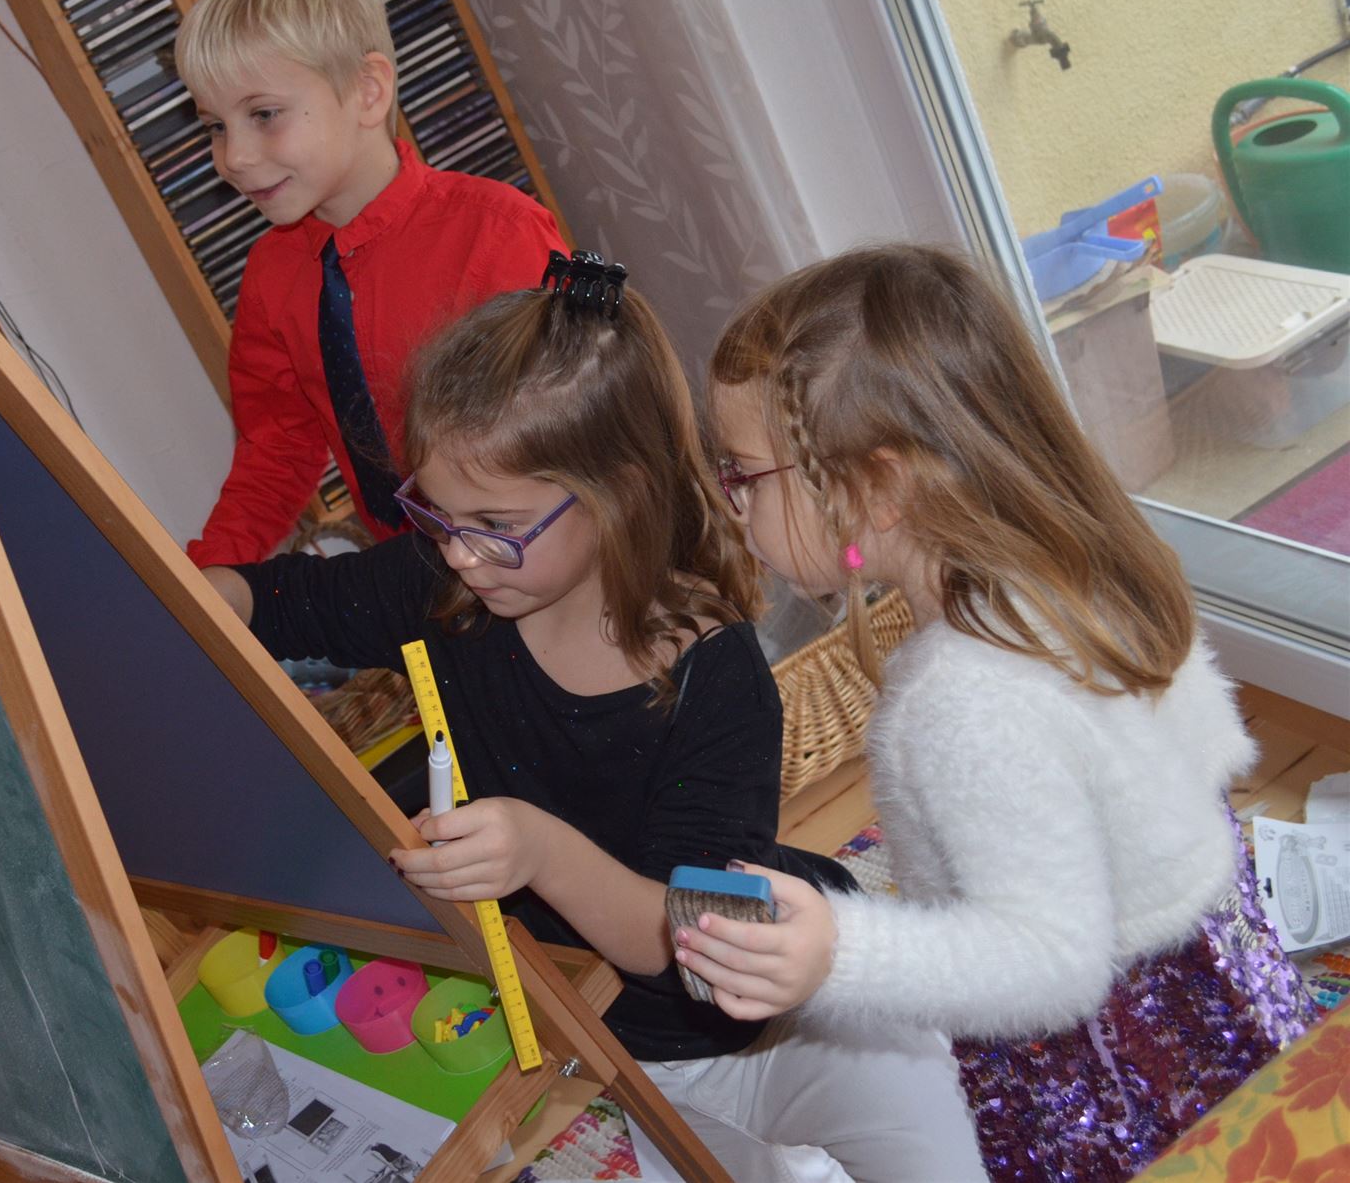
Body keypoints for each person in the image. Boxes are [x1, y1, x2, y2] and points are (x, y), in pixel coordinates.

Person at [206, 253, 985, 1182]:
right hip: (638, 1052)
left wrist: (540, 851)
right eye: (437, 514)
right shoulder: (444, 584)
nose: (459, 554)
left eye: (497, 523)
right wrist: (175, 592)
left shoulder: (716, 675)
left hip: (806, 1009)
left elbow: (696, 935)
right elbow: (281, 598)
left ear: (621, 493)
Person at [676, 243, 1316, 1181]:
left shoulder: (965, 696)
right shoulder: (1071, 565)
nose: (735, 507)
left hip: (1122, 1067)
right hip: (1215, 985)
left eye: (744, 475)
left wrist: (838, 951)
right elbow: (1202, 752)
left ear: (878, 488)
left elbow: (1051, 960)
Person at [174, 0, 564, 569]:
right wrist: (209, 573)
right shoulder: (273, 277)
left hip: (539, 557)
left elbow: (576, 429)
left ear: (367, 90)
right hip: (413, 572)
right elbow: (276, 449)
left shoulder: (497, 234)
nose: (234, 158)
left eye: (264, 115)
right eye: (216, 126)